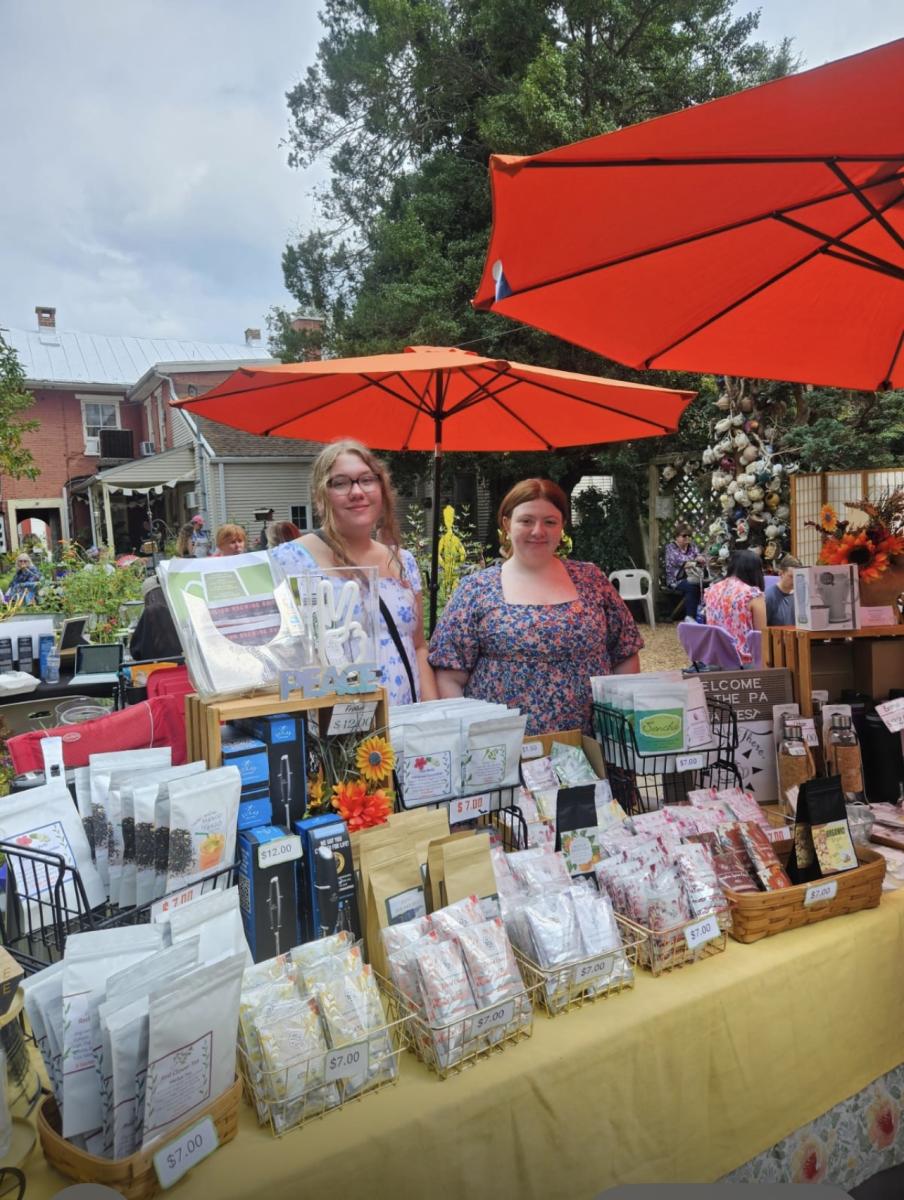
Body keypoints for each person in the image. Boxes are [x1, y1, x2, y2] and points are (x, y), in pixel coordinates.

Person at [428, 478, 643, 735]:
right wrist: (472, 738)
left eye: (550, 522)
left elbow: (625, 654)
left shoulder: (591, 580)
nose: (538, 531)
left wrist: (620, 727)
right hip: (504, 748)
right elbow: (449, 676)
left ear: (562, 526)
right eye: (526, 521)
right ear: (506, 524)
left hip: (591, 744)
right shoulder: (476, 589)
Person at [270, 439, 436, 705]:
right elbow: (280, 656)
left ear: (382, 488)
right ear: (320, 496)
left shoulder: (402, 561)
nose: (357, 492)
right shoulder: (289, 561)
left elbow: (417, 647)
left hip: (408, 719)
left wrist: (434, 713)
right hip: (338, 720)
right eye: (341, 483)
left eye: (367, 480)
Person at [703, 548, 766, 665]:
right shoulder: (752, 594)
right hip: (744, 661)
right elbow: (761, 636)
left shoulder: (712, 590)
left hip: (714, 658)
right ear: (755, 571)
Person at [130, 574, 183, 662]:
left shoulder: (150, 612)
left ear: (147, 596)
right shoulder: (177, 610)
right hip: (181, 666)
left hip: (154, 668)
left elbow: (136, 651)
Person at [664, 523, 706, 620]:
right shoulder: (671, 547)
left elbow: (700, 557)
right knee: (692, 587)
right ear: (676, 536)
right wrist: (695, 561)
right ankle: (690, 617)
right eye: (684, 535)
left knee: (706, 585)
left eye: (689, 535)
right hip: (676, 580)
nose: (687, 538)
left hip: (693, 576)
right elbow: (678, 560)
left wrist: (700, 558)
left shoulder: (692, 546)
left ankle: (703, 616)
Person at [766, 554, 801, 626]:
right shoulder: (769, 596)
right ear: (781, 573)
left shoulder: (800, 595)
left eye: (797, 577)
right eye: (791, 576)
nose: (795, 580)